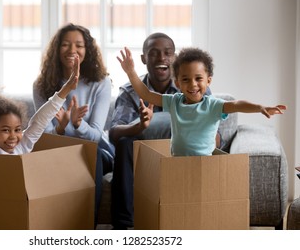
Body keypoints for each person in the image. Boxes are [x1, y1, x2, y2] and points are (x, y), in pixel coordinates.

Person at [109, 33, 213, 230]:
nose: (161, 58)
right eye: (153, 53)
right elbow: (114, 133)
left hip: (183, 152)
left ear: (175, 58)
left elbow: (215, 131)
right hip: (144, 157)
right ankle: (123, 227)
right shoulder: (130, 91)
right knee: (124, 143)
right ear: (143, 59)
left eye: (167, 53)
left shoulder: (194, 85)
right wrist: (139, 125)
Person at [117, 46, 286, 156]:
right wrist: (131, 72)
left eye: (198, 78)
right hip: (178, 162)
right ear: (178, 83)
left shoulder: (212, 105)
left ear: (208, 81)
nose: (193, 84)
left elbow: (236, 105)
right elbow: (146, 94)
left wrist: (260, 107)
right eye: (186, 79)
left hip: (205, 163)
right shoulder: (174, 102)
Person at [32, 23, 114, 225]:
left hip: (97, 151)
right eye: (66, 45)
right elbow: (45, 134)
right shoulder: (42, 85)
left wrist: (78, 125)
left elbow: (95, 135)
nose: (72, 50)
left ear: (88, 50)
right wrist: (61, 128)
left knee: (90, 156)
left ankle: (87, 230)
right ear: (56, 49)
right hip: (58, 151)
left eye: (79, 45)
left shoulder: (101, 83)